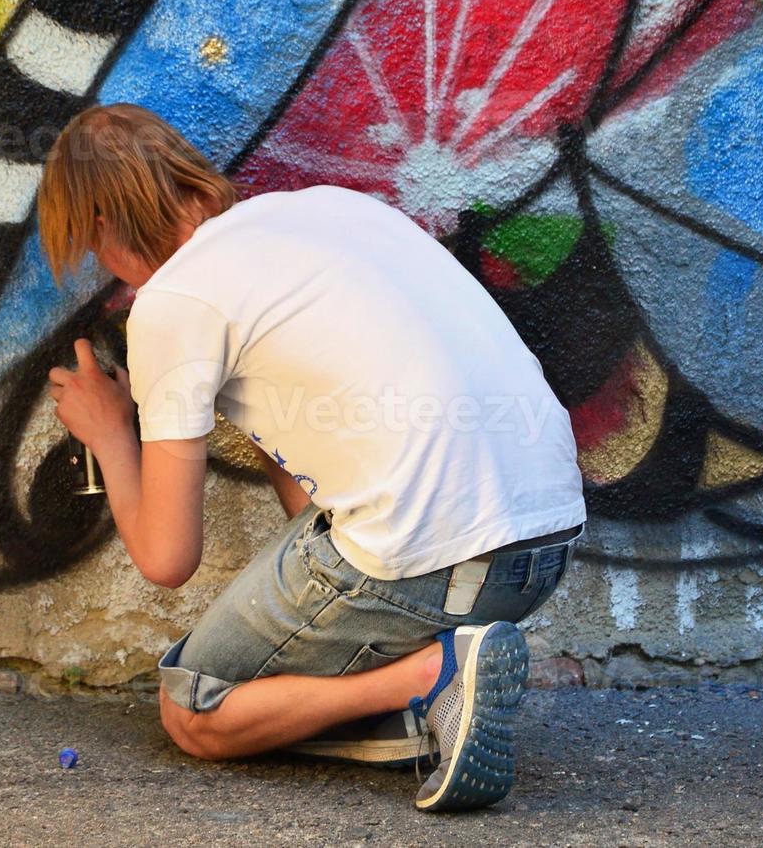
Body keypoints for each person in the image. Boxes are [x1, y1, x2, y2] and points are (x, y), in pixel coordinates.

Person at [38, 103, 585, 811]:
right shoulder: (336, 212)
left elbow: (167, 559)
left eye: (88, 244)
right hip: (539, 552)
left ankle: (429, 678)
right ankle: (430, 707)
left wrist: (111, 433)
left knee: (197, 712)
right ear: (189, 179)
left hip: (431, 566)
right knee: (315, 651)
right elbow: (322, 499)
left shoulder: (175, 300)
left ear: (105, 226)